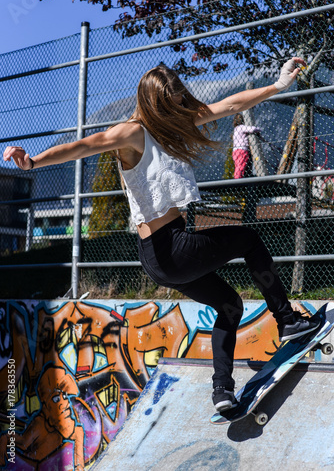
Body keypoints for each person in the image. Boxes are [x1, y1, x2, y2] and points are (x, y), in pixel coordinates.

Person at [3, 57, 320, 413]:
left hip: (161, 258)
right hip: (169, 247)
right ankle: (287, 319)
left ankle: (222, 392)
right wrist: (32, 162)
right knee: (249, 239)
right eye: (170, 102)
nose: (179, 109)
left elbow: (231, 104)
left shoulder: (175, 125)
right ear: (154, 101)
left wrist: (278, 86)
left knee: (229, 306)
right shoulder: (133, 132)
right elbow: (87, 145)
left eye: (180, 101)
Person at [232, 112, 259, 179]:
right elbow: (252, 129)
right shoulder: (242, 127)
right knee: (242, 165)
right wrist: (258, 129)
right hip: (242, 149)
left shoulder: (235, 129)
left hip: (235, 150)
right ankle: (238, 179)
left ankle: (237, 177)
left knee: (238, 165)